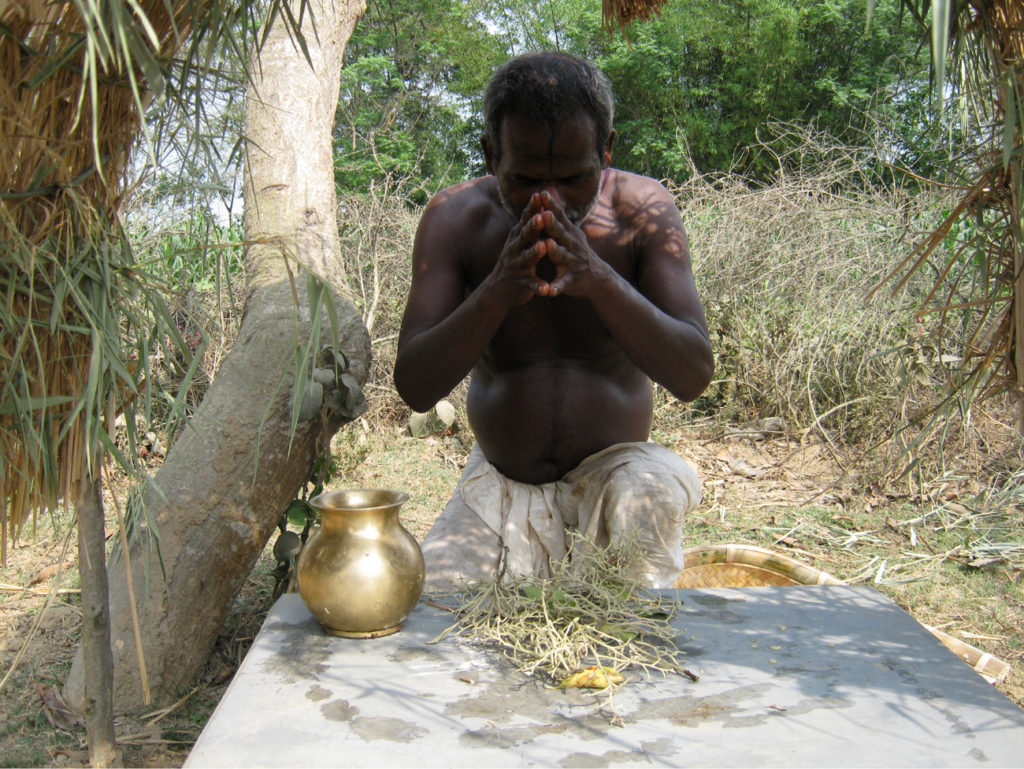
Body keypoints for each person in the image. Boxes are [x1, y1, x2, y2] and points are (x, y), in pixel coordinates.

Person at [393, 52, 714, 591]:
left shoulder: (641, 212)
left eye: (574, 177)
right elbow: (416, 388)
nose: (549, 200)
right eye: (523, 180)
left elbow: (692, 374)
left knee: (633, 618)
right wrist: (496, 292)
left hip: (620, 480)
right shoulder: (453, 219)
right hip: (499, 487)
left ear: (606, 150)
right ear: (490, 153)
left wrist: (598, 279)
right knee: (438, 621)